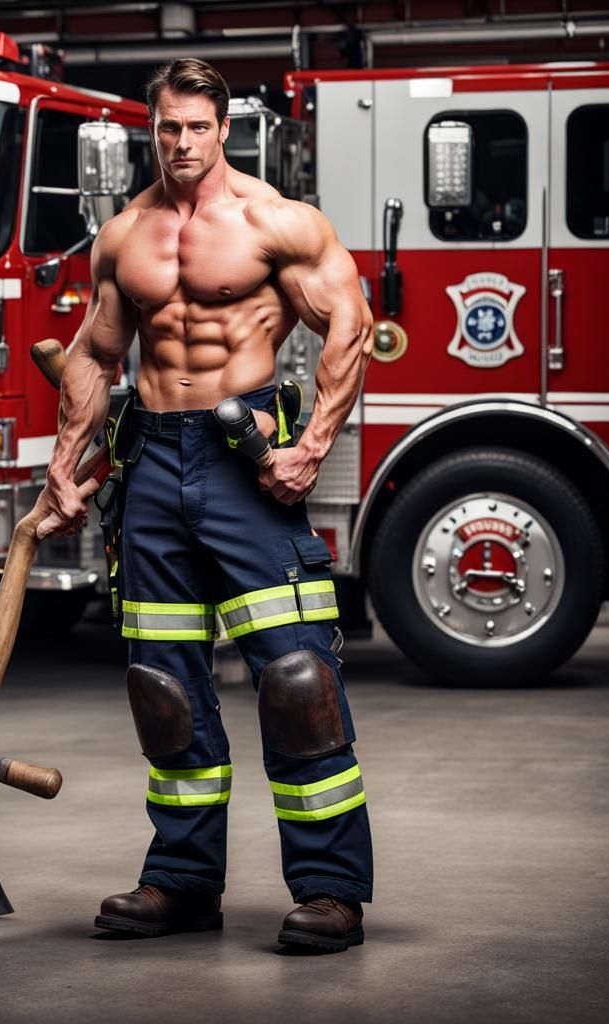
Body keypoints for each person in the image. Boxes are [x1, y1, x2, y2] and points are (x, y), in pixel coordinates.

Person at [36, 58, 375, 953]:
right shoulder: (125, 235)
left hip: (240, 460)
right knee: (163, 685)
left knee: (297, 679)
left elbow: (351, 323)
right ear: (151, 128)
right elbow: (94, 354)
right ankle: (183, 881)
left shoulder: (277, 222)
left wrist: (311, 448)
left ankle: (332, 889)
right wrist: (63, 468)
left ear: (225, 129)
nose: (181, 142)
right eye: (167, 126)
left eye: (197, 127)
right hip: (151, 459)